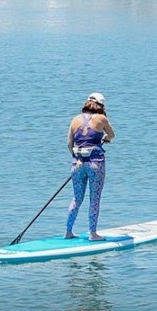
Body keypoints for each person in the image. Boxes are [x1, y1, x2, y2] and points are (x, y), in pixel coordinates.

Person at [65, 91, 115, 241]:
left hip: (77, 164)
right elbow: (112, 135)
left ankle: (68, 231)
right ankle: (93, 233)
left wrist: (77, 159)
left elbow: (69, 144)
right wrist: (105, 139)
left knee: (76, 198)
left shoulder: (75, 120)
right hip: (96, 164)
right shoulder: (102, 118)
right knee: (94, 199)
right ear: (101, 106)